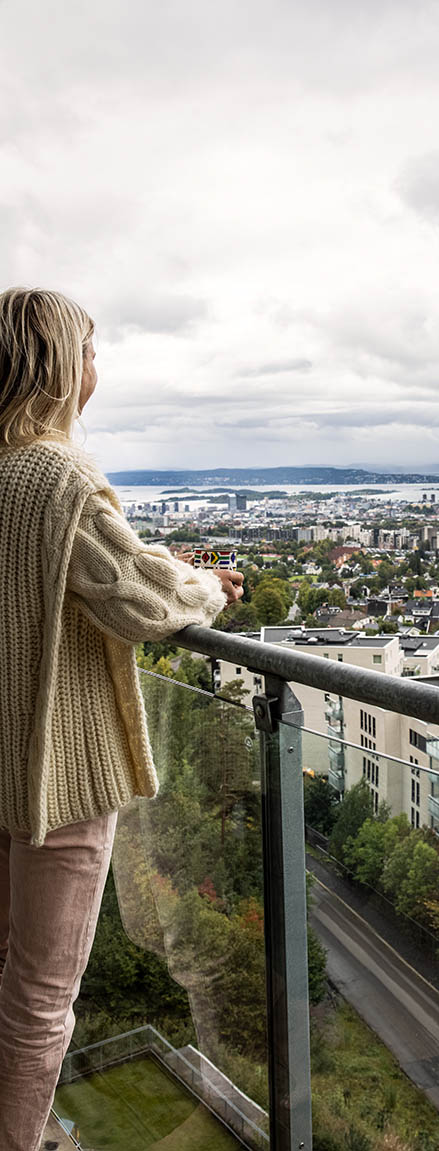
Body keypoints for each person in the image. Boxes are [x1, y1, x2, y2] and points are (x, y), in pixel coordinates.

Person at [0, 287, 244, 1150]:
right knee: (40, 995)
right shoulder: (53, 474)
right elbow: (139, 599)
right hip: (54, 778)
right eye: (92, 354)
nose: (97, 372)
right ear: (61, 366)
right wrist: (210, 587)